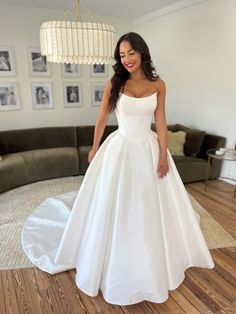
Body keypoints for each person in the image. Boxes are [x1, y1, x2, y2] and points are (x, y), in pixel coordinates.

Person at [21, 32, 214, 306]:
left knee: (149, 204)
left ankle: (152, 258)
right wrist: (94, 146)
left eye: (130, 53)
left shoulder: (159, 85)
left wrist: (163, 155)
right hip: (121, 147)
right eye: (122, 56)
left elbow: (160, 121)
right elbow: (101, 117)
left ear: (142, 53)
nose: (127, 60)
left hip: (147, 148)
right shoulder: (114, 82)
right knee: (116, 203)